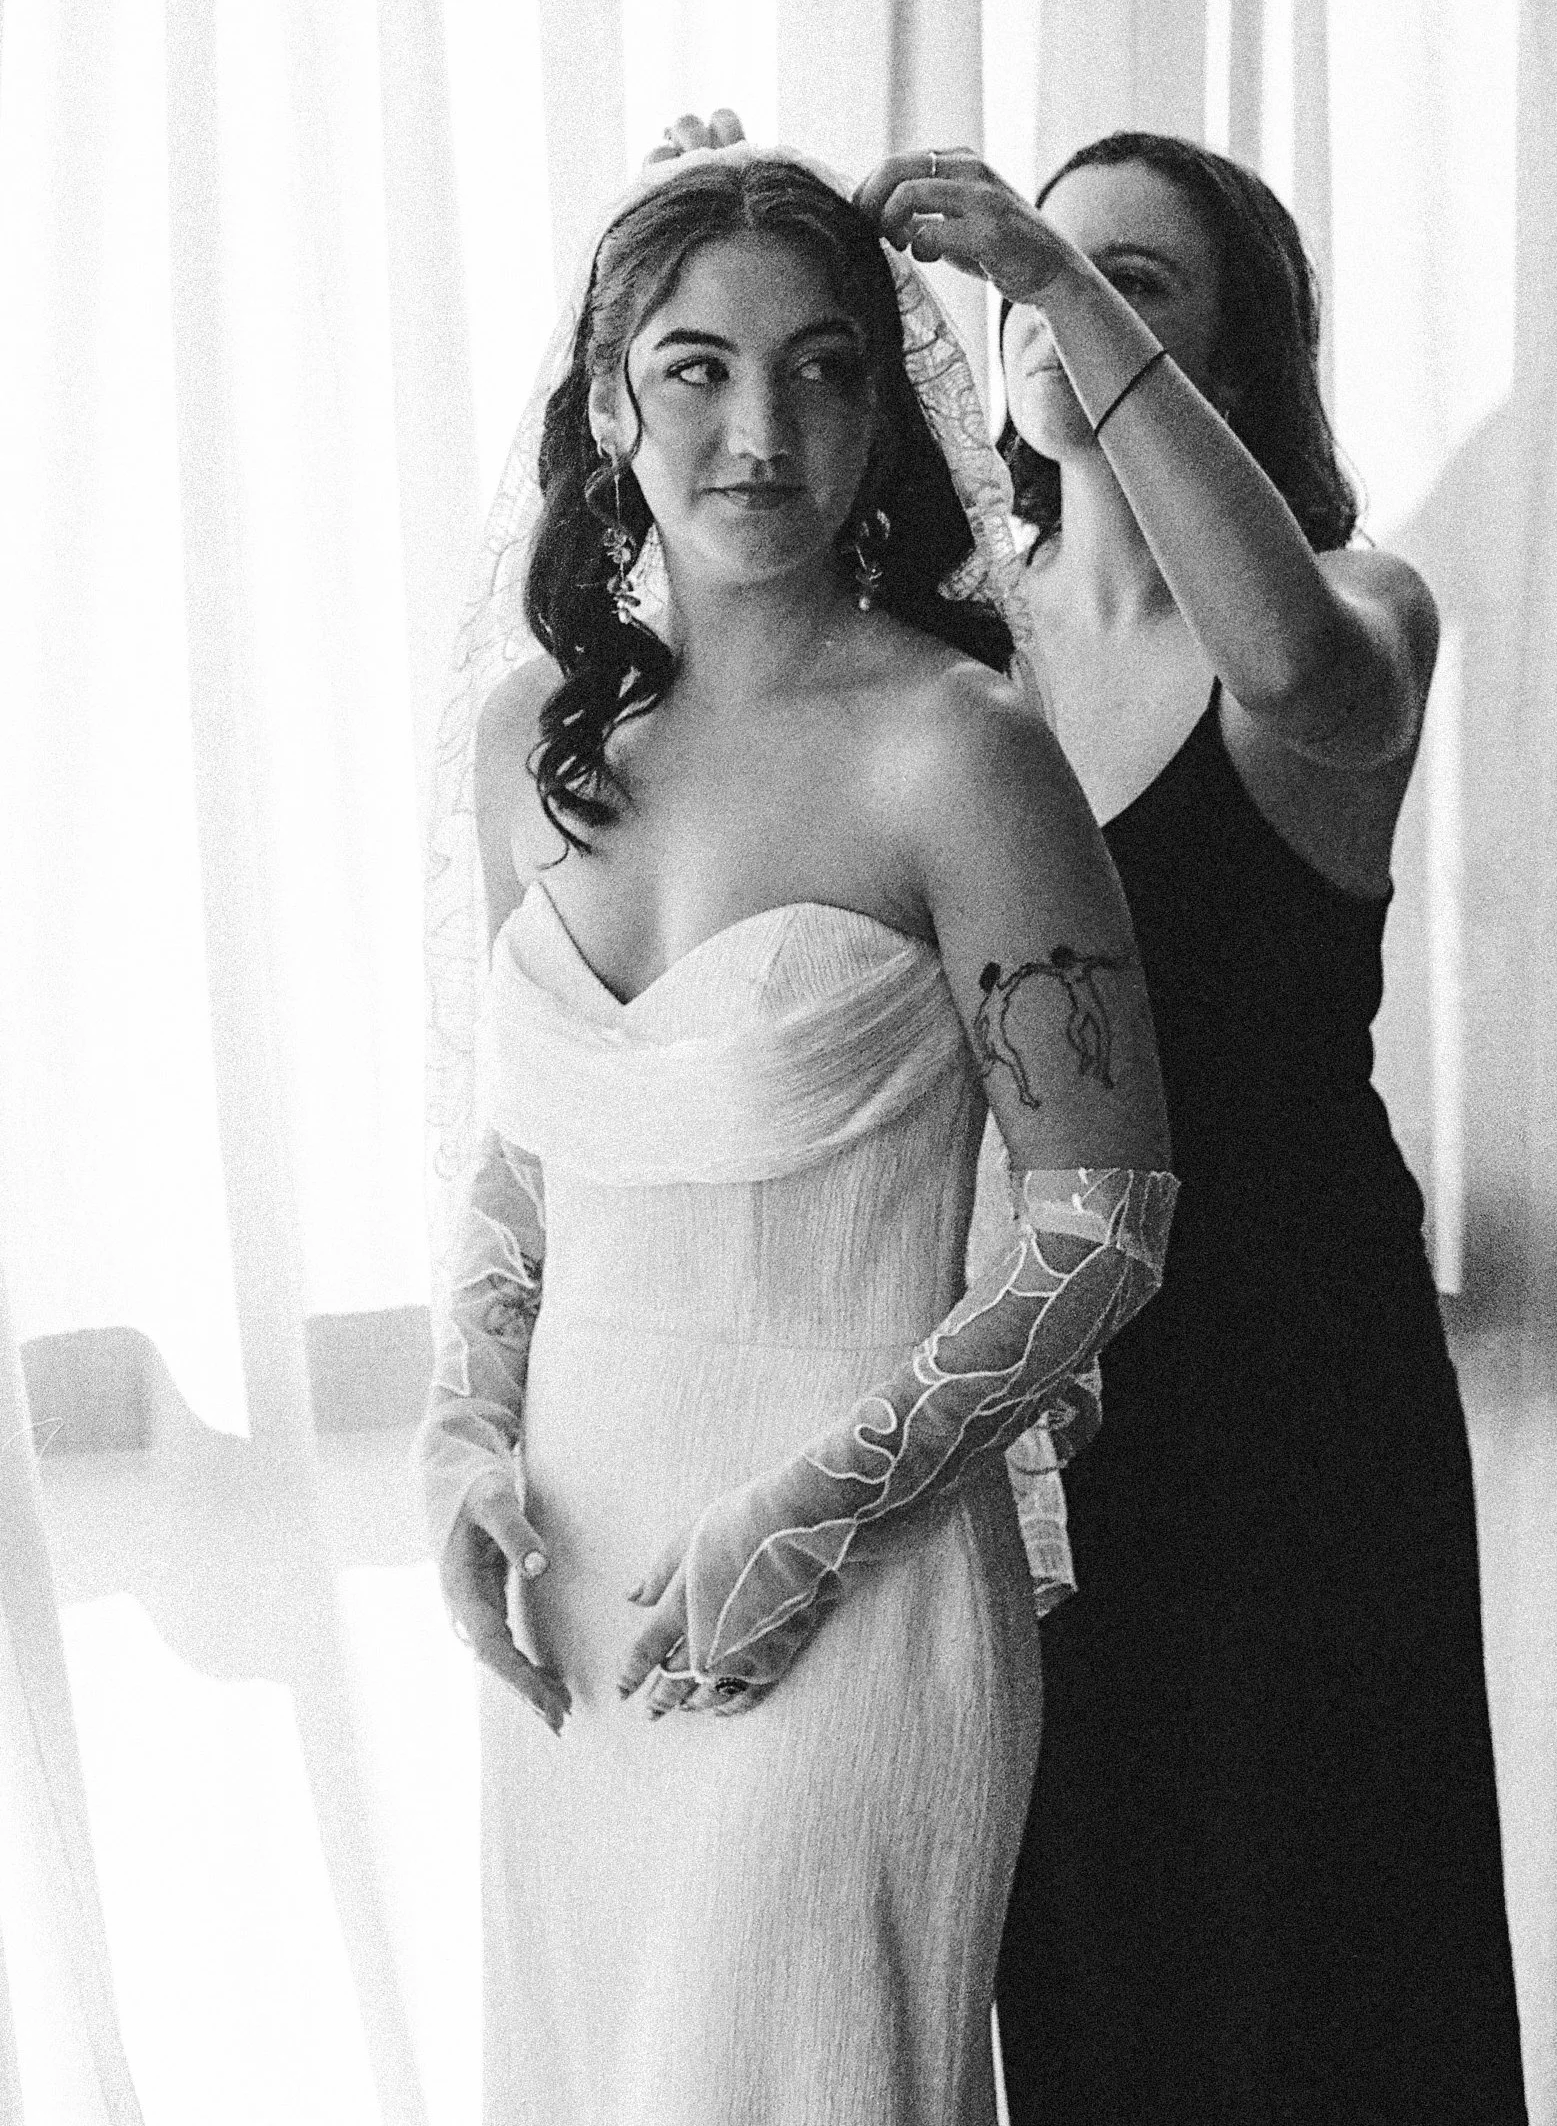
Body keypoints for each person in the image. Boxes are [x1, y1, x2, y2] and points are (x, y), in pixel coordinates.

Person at [413, 141, 1177, 2126]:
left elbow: (1099, 1228)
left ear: (882, 401)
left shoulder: (960, 749)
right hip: (575, 1583)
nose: (765, 429)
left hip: (851, 1588)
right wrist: (461, 1440)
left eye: (825, 369)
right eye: (698, 370)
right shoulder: (526, 741)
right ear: (605, 404)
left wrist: (816, 1513)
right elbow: (525, 1158)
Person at [857, 132, 1530, 2124]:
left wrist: (1053, 272)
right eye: (1050, 274)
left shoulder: (1357, 600)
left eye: (1138, 276)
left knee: (1335, 1951)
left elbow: (1296, 677)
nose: (1060, 296)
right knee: (1100, 1959)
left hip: (1300, 1384)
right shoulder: (963, 675)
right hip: (1047, 1396)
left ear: (1232, 355)